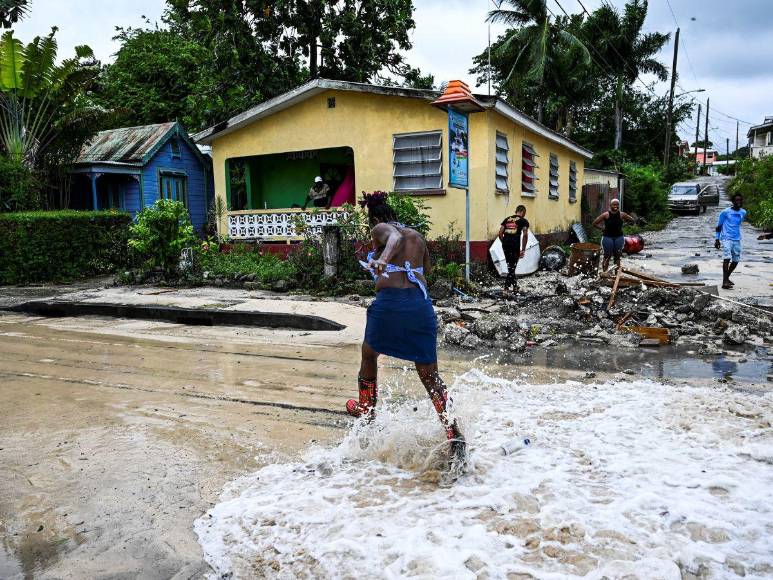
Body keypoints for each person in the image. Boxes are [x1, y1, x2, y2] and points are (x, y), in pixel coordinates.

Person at [347, 192, 466, 473]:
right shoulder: (420, 238)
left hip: (391, 305)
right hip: (420, 307)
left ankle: (367, 411)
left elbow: (394, 240)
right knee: (430, 375)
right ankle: (454, 433)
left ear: (376, 219)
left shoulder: (383, 229)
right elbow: (426, 272)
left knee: (368, 353)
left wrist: (381, 259)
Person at [714, 194, 747, 290]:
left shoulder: (743, 212)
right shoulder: (725, 212)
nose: (738, 202)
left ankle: (726, 278)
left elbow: (737, 224)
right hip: (726, 238)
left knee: (736, 260)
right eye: (736, 200)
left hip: (737, 239)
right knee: (727, 258)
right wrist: (717, 239)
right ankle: (725, 282)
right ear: (733, 202)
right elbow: (719, 226)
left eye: (740, 200)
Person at [592, 199, 635, 271]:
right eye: (614, 204)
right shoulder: (606, 214)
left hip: (619, 238)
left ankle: (616, 275)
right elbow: (594, 223)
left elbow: (633, 220)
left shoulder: (622, 214)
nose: (616, 206)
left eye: (617, 204)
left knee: (617, 257)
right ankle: (605, 274)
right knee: (607, 256)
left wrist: (624, 225)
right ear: (610, 205)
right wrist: (602, 229)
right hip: (607, 238)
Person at [498, 205, 529, 293]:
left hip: (505, 245)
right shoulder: (523, 221)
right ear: (523, 212)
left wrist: (504, 242)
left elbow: (500, 233)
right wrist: (523, 249)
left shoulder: (507, 219)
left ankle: (515, 287)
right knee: (512, 267)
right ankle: (506, 289)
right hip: (515, 246)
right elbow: (525, 235)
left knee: (510, 266)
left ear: (516, 211)